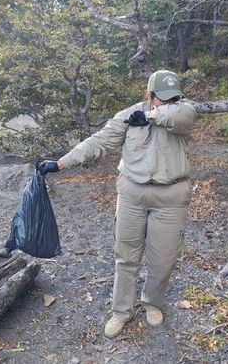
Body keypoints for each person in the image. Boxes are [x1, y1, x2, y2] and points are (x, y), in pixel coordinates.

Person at [38, 69, 197, 338]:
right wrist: (61, 162)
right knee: (126, 257)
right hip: (132, 194)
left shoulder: (182, 111)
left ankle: (152, 304)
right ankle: (121, 311)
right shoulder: (128, 115)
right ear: (150, 94)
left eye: (173, 98)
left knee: (164, 260)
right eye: (162, 98)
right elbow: (98, 142)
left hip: (171, 197)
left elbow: (182, 116)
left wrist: (150, 116)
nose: (168, 103)